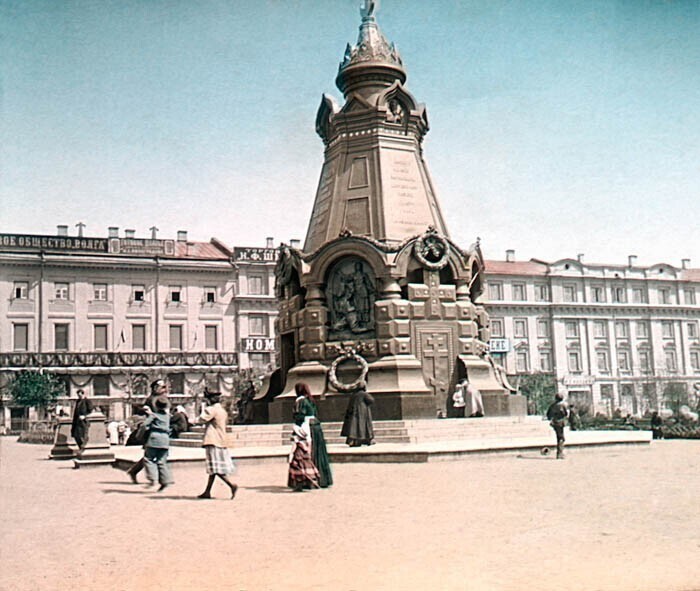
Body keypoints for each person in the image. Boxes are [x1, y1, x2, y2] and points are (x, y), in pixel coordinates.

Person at [126, 379, 169, 483]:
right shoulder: (151, 400)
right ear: (155, 388)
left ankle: (135, 471)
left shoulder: (162, 399)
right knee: (151, 455)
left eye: (165, 387)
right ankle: (151, 476)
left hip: (159, 430)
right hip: (152, 430)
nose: (165, 389)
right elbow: (149, 416)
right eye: (162, 387)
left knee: (151, 455)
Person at [197, 390, 238, 500]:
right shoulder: (222, 410)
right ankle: (207, 491)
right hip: (221, 440)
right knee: (214, 468)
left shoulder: (211, 410)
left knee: (215, 469)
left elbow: (201, 419)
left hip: (212, 440)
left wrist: (201, 409)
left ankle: (231, 485)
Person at [293, 382, 332, 488]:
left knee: (308, 453)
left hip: (307, 426)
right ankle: (323, 479)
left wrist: (296, 430)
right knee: (318, 452)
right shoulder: (310, 400)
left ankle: (308, 479)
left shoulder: (300, 401)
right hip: (316, 426)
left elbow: (299, 416)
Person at [142, 395, 173, 491]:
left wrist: (143, 431)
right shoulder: (167, 416)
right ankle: (165, 481)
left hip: (154, 438)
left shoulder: (154, 415)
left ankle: (152, 479)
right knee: (161, 461)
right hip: (165, 439)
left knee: (148, 459)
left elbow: (144, 425)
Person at [287, 417, 320, 492]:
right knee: (306, 470)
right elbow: (308, 448)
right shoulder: (305, 443)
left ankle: (299, 485)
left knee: (299, 472)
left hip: (298, 458)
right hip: (305, 458)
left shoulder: (298, 443)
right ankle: (309, 483)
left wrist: (290, 457)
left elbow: (293, 450)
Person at [340, 382, 375, 447]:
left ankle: (354, 441)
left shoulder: (353, 395)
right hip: (362, 413)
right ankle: (365, 440)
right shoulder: (364, 394)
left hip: (354, 413)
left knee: (354, 427)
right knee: (363, 426)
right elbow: (371, 400)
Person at [546, 393, 569, 460]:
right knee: (561, 438)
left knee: (559, 437)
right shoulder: (563, 405)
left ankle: (560, 452)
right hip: (560, 422)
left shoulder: (552, 406)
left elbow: (548, 415)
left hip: (555, 422)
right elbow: (566, 414)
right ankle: (560, 453)